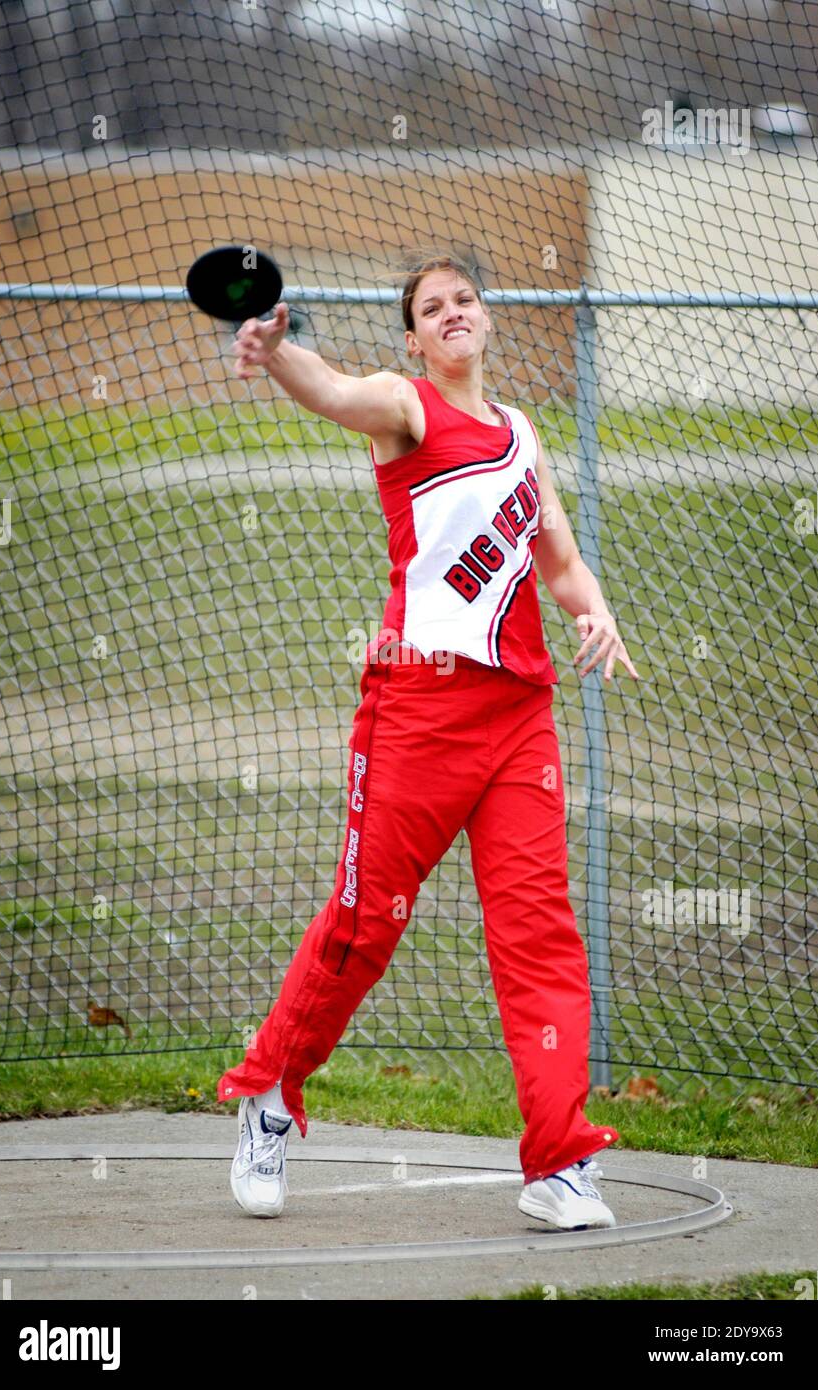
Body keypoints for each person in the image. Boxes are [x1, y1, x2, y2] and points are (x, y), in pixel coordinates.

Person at [216, 254, 639, 1230]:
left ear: (487, 321)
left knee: (539, 937)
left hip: (519, 716)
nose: (452, 314)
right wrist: (278, 351)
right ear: (413, 338)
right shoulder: (404, 407)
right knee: (366, 928)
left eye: (464, 301)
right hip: (417, 710)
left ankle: (559, 1161)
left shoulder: (522, 437)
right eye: (431, 307)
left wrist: (597, 611)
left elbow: (561, 561)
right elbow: (330, 389)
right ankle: (271, 1094)